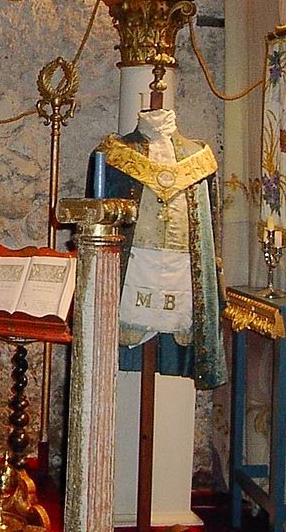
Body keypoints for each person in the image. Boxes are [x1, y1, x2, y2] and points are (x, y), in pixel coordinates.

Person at [96, 107, 227, 390]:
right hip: (134, 268)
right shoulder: (115, 154)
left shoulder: (197, 158)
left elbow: (211, 230)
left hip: (182, 272)